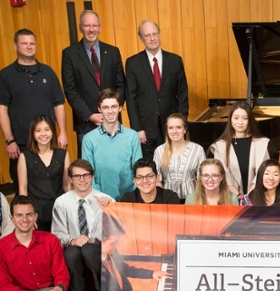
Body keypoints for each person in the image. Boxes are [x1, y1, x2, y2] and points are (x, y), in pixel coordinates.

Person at [0, 28, 67, 185]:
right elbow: (2, 110)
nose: (29, 46)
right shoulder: (6, 75)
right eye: (24, 43)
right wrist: (9, 141)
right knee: (23, 187)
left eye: (32, 43)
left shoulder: (47, 72)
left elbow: (59, 104)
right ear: (15, 45)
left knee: (53, 184)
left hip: (48, 142)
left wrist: (63, 133)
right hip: (21, 144)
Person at [61, 10, 125, 158]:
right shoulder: (69, 54)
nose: (91, 29)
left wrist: (112, 110)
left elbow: (121, 84)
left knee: (115, 159)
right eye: (87, 26)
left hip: (112, 120)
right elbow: (70, 89)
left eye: (95, 25)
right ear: (80, 28)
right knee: (89, 167)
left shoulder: (113, 51)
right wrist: (89, 115)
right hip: (86, 123)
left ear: (100, 27)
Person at [52, 159, 114, 291]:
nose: (82, 179)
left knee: (88, 250)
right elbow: (57, 233)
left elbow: (114, 231)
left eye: (86, 175)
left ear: (92, 177)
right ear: (71, 179)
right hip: (73, 244)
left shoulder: (106, 200)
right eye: (77, 176)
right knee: (72, 253)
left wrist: (107, 210)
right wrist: (72, 240)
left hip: (98, 246)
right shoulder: (62, 202)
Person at [125, 19, 189, 159]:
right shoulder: (133, 63)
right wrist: (138, 129)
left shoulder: (175, 60)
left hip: (171, 128)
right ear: (141, 38)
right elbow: (131, 98)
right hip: (146, 130)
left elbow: (183, 94)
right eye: (147, 35)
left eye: (155, 34)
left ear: (159, 35)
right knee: (150, 170)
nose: (152, 38)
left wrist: (181, 124)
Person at [82, 88, 142, 201]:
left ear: (120, 108)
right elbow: (88, 173)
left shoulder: (132, 136)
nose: (110, 111)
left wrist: (132, 196)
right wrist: (99, 196)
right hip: (100, 199)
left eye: (114, 106)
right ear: (99, 109)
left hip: (129, 199)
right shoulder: (89, 139)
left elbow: (138, 170)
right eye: (105, 107)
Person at [17, 114, 70, 232]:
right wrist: (27, 215)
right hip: (37, 212)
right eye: (38, 130)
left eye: (47, 129)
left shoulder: (63, 154)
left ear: (52, 131)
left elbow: (66, 185)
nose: (43, 134)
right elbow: (23, 189)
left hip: (59, 208)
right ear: (33, 133)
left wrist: (70, 210)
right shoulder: (25, 156)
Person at [209, 101, 271, 200]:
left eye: (245, 118)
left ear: (250, 120)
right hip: (230, 197)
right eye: (236, 118)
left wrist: (249, 195)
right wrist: (237, 195)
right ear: (230, 119)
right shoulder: (220, 146)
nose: (240, 122)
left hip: (256, 196)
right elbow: (221, 174)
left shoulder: (261, 144)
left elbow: (265, 172)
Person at [152, 113, 205, 202]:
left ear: (185, 129)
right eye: (171, 128)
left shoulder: (197, 149)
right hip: (167, 200)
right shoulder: (159, 151)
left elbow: (202, 178)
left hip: (192, 199)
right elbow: (156, 180)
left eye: (178, 127)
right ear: (167, 130)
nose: (174, 131)